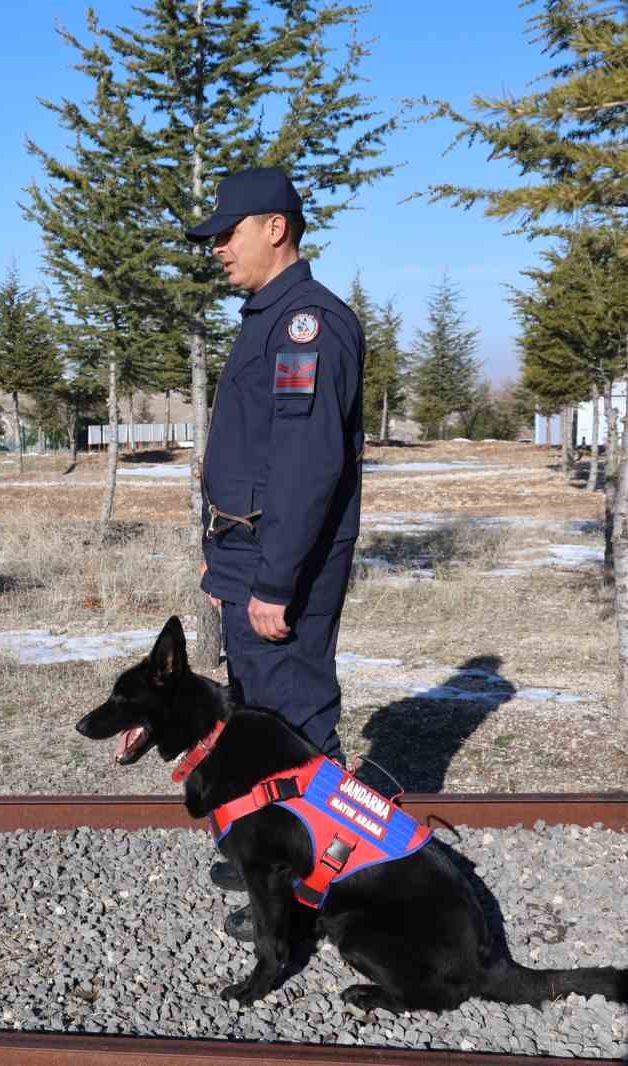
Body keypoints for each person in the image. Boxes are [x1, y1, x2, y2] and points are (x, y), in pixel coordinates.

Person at [188, 167, 365, 940]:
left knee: (297, 725)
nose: (218, 249)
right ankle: (273, 854)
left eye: (227, 233)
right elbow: (252, 455)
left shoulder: (307, 325)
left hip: (280, 562)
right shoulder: (266, 317)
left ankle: (317, 890)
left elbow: (305, 466)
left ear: (275, 227)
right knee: (260, 720)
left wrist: (275, 582)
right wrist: (220, 560)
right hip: (249, 554)